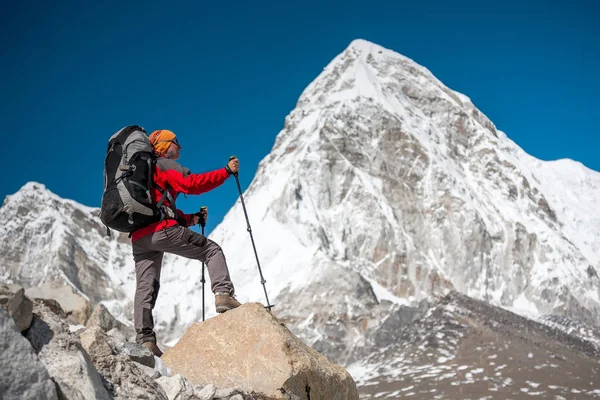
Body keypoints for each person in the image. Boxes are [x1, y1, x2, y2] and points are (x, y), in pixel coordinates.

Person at [131, 129, 241, 357]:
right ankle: (224, 295)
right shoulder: (163, 164)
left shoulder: (144, 173)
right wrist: (226, 172)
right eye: (176, 142)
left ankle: (145, 341)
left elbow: (164, 208)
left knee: (146, 286)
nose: (180, 147)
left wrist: (192, 219)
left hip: (140, 237)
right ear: (163, 146)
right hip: (161, 231)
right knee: (212, 250)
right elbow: (191, 184)